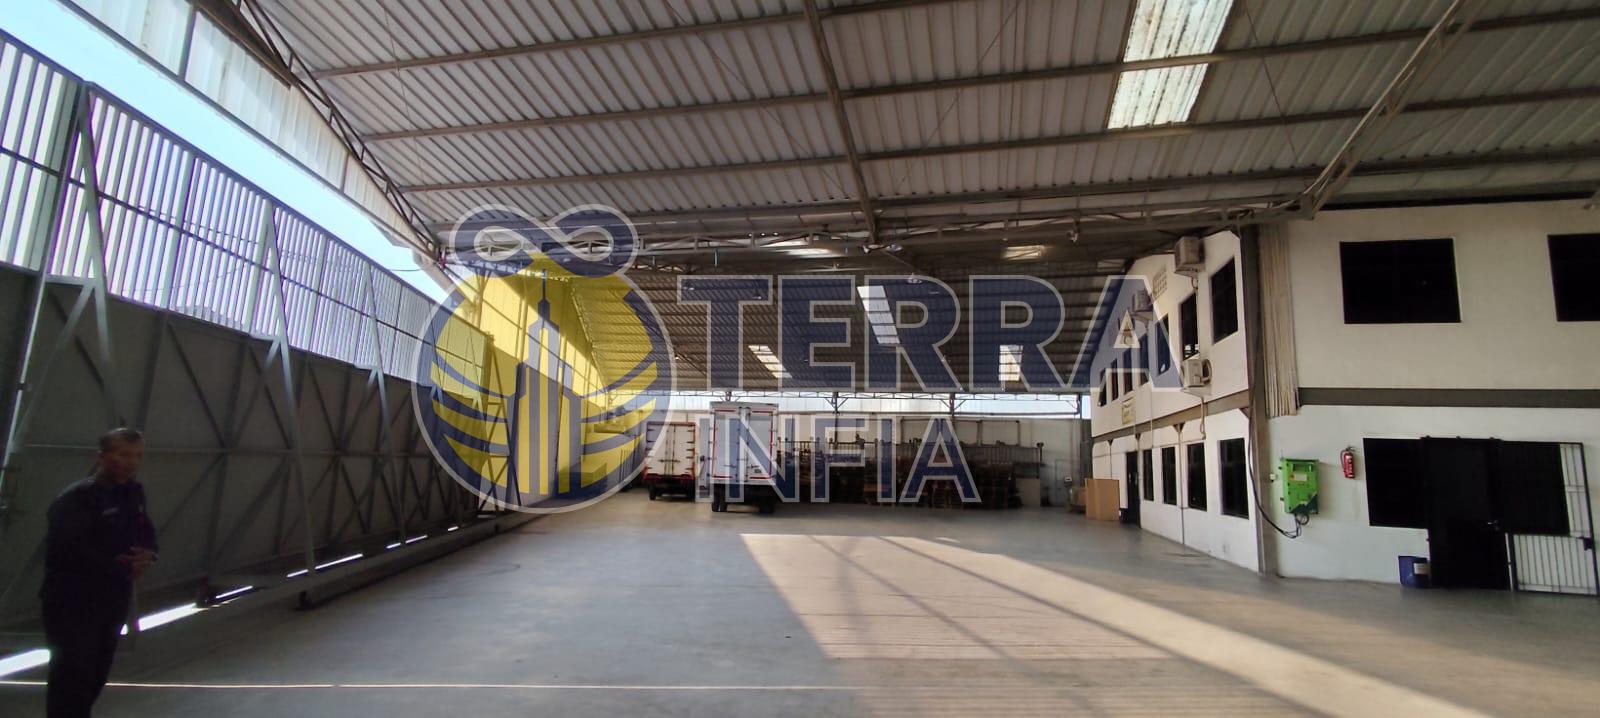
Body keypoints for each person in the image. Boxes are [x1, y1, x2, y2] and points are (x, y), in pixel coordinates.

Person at [39, 427, 157, 718]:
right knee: (72, 676)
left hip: (111, 599)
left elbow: (145, 531)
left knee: (95, 674)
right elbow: (68, 549)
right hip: (73, 602)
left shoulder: (132, 493)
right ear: (102, 456)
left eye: (137, 455)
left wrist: (148, 553)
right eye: (123, 455)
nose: (131, 462)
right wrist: (119, 566)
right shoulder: (79, 498)